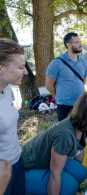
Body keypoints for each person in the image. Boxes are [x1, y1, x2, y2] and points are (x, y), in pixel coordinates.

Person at [21, 92, 87, 195]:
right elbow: (55, 174)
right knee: (69, 187)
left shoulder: (84, 123)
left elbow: (80, 149)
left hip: (43, 161)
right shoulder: (64, 135)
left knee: (80, 172)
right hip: (23, 168)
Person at [0, 38, 28, 194]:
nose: (25, 72)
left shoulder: (7, 90)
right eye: (20, 67)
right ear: (1, 69)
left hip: (16, 161)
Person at [46, 32, 87, 121]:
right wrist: (59, 98)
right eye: (77, 42)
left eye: (80, 41)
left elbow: (83, 81)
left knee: (81, 131)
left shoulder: (83, 63)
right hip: (64, 106)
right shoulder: (56, 63)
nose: (81, 44)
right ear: (68, 45)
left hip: (81, 104)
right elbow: (49, 85)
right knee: (66, 133)